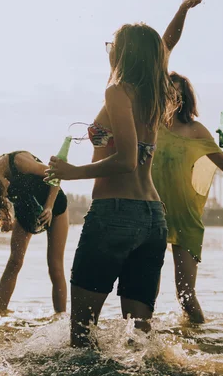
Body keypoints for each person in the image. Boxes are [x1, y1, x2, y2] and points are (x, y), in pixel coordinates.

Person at [46, 22, 180, 347]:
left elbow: (126, 160)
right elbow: (164, 46)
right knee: (141, 342)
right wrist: (183, 9)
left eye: (112, 45)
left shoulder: (118, 91)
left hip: (115, 214)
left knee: (82, 336)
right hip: (152, 219)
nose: (109, 51)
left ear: (123, 52)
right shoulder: (155, 93)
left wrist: (70, 171)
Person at [152, 72, 223, 323]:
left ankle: (204, 341)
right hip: (153, 216)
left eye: (177, 93)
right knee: (148, 291)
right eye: (167, 92)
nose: (172, 98)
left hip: (186, 218)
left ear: (185, 98)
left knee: (186, 297)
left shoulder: (196, 131)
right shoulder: (151, 125)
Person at [0, 151, 69, 314]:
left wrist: (49, 206)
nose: (6, 192)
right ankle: (1, 313)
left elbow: (55, 176)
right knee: (15, 261)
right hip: (25, 211)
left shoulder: (20, 162)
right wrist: (5, 219)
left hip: (54, 207)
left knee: (54, 266)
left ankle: (60, 317)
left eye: (3, 191)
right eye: (2, 194)